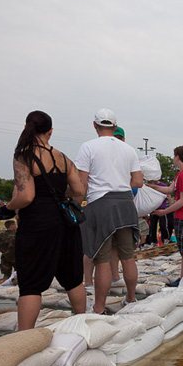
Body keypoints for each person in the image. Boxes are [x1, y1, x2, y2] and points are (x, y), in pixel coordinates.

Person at [0, 110, 86, 330]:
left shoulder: (24, 156)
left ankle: (24, 337)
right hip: (65, 222)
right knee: (73, 278)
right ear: (50, 132)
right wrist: (60, 198)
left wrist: (8, 207)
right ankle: (83, 324)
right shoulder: (63, 158)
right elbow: (79, 190)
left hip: (38, 223)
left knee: (31, 285)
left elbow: (26, 196)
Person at [75, 108, 143, 314]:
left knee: (102, 260)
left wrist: (77, 205)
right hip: (125, 203)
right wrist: (121, 182)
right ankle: (131, 298)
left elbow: (81, 183)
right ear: (114, 127)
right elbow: (138, 181)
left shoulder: (88, 147)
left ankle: (99, 307)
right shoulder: (128, 150)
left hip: (101, 205)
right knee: (128, 255)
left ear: (95, 125)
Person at [149, 146, 183, 282]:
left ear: (178, 156)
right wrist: (153, 187)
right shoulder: (181, 174)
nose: (173, 159)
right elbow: (170, 189)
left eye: (174, 156)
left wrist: (165, 211)